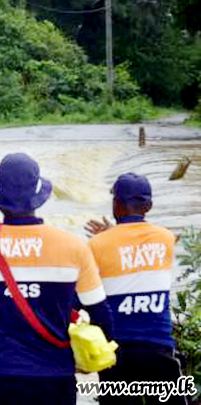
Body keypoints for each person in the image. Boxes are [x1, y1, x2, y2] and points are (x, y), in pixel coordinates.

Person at [0, 153, 113, 405]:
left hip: (2, 378)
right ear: (38, 198)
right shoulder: (73, 246)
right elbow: (102, 316)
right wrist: (89, 358)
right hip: (56, 379)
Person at [86, 173, 187, 405]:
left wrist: (111, 233)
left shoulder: (96, 244)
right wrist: (115, 231)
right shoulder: (166, 238)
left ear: (115, 204)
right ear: (149, 206)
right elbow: (158, 239)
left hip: (115, 352)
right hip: (158, 348)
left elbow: (83, 295)